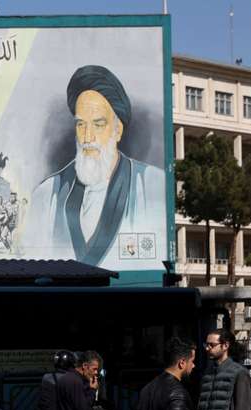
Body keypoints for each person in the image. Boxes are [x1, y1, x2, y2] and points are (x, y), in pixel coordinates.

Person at [24, 65, 167, 265]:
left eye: (98, 124)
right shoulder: (47, 195)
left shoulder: (153, 185)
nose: (87, 137)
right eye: (81, 124)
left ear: (118, 130)